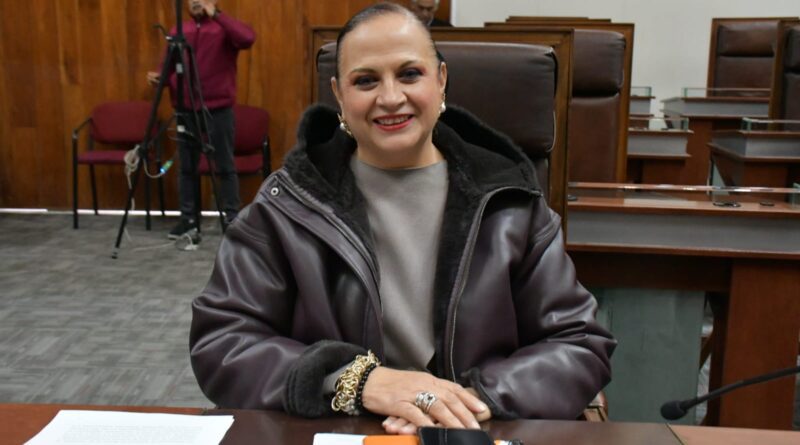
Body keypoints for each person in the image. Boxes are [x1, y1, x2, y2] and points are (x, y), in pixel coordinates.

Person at [189, 3, 614, 436]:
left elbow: (579, 343)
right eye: (365, 80)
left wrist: (470, 399)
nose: (390, 97)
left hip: (474, 432)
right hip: (340, 432)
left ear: (441, 80)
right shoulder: (287, 206)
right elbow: (222, 341)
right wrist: (356, 381)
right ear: (338, 95)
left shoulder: (512, 203)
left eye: (410, 74)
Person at [147, 0, 256, 240]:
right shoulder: (178, 31)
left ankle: (231, 219)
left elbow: (247, 38)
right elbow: (169, 67)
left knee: (225, 166)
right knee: (187, 168)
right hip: (185, 110)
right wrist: (160, 78)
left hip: (218, 110)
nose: (196, 1)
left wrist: (217, 15)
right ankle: (188, 219)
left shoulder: (223, 28)